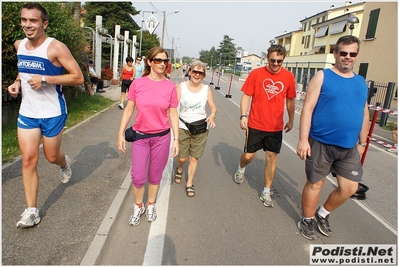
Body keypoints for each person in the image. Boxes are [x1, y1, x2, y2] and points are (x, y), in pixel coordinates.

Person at [7, 2, 84, 228]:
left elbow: (77, 77)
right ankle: (32, 211)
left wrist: (46, 79)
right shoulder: (19, 44)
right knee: (29, 159)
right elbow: (24, 72)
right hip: (28, 112)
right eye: (24, 20)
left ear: (44, 23)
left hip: (53, 112)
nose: (28, 25)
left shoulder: (56, 48)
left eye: (33, 21)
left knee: (51, 156)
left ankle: (63, 163)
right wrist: (16, 84)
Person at [296, 35, 369, 240]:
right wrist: (303, 139)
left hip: (348, 147)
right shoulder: (322, 76)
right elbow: (308, 109)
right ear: (336, 53)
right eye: (343, 53)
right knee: (315, 183)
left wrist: (362, 142)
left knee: (349, 188)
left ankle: (323, 213)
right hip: (320, 143)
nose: (347, 57)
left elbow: (364, 114)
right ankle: (307, 219)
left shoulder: (361, 82)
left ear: (356, 56)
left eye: (352, 54)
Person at [117, 47, 179, 226]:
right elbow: (129, 110)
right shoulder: (138, 84)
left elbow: (173, 114)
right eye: (158, 60)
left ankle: (150, 204)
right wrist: (120, 133)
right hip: (140, 137)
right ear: (150, 62)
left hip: (162, 137)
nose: (162, 64)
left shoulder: (170, 87)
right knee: (137, 176)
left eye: (165, 61)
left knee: (155, 174)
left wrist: (176, 139)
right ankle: (139, 206)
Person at [234, 44, 296, 208]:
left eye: (279, 61)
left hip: (275, 128)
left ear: (283, 60)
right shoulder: (256, 73)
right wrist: (243, 115)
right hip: (255, 124)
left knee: (272, 158)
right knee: (248, 156)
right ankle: (241, 168)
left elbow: (290, 100)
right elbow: (246, 96)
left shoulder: (288, 77)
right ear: (267, 59)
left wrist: (291, 119)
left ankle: (266, 192)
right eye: (273, 60)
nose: (276, 64)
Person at [174, 60, 217, 197]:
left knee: (194, 158)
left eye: (200, 72)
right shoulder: (181, 86)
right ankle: (180, 168)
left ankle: (189, 183)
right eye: (195, 71)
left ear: (203, 75)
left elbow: (213, 107)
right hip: (183, 126)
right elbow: (173, 106)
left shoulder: (206, 89)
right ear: (190, 71)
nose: (197, 75)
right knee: (182, 158)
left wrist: (212, 115)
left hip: (200, 128)